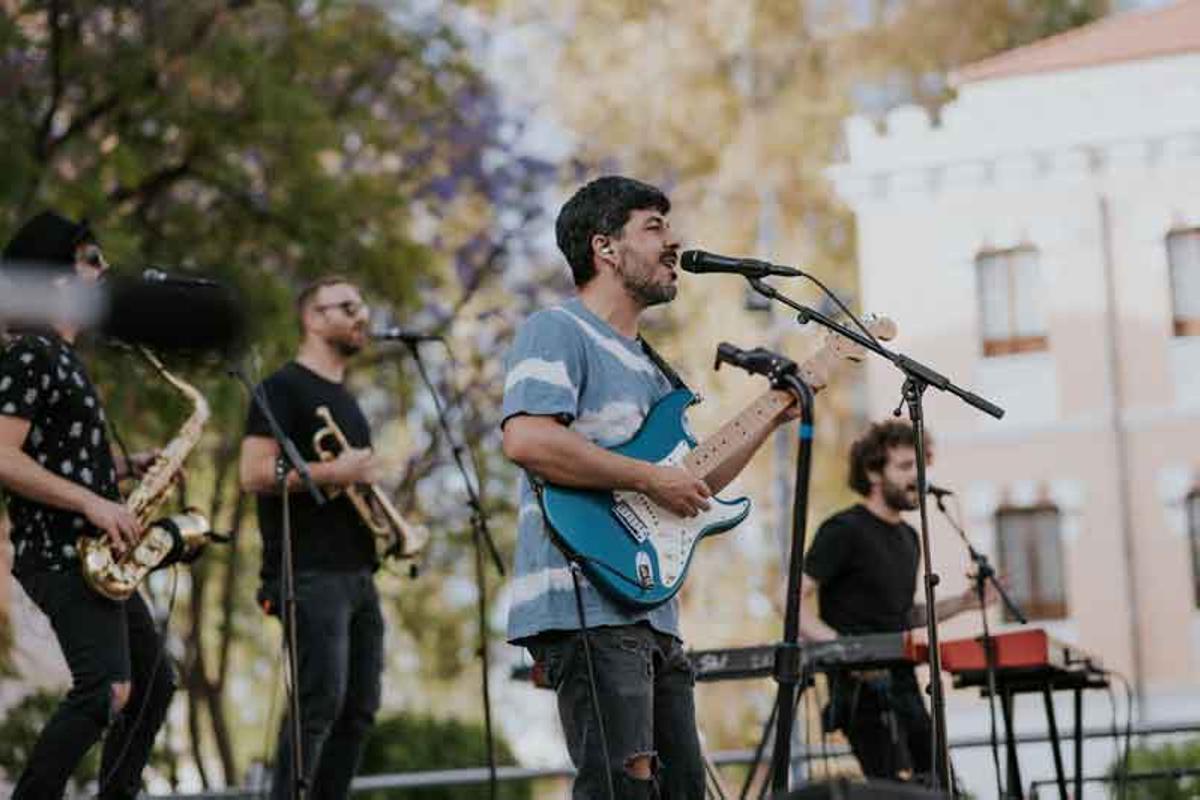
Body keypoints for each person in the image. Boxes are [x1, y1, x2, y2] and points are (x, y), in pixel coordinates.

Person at [501, 175, 802, 798]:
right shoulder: (557, 330)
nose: (675, 243)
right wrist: (647, 478)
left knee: (682, 790)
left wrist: (774, 410)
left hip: (650, 606)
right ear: (605, 248)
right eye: (655, 227)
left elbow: (693, 487)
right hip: (586, 595)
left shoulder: (652, 368)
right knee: (622, 788)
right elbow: (527, 440)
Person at [0, 210, 173, 799]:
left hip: (99, 553)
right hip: (60, 549)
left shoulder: (65, 359)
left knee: (153, 683)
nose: (105, 271)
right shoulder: (32, 353)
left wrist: (123, 470)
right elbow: (2, 456)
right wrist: (94, 504)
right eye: (92, 259)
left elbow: (51, 454)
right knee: (106, 690)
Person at [239, 275, 387, 800]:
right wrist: (335, 473)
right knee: (317, 706)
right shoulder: (282, 388)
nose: (361, 316)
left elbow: (351, 481)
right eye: (346, 306)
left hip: (358, 573)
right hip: (308, 571)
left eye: (361, 305)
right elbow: (254, 474)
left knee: (358, 712)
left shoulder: (346, 399)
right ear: (312, 317)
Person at [798, 420, 996, 783]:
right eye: (905, 467)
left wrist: (965, 603)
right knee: (893, 790)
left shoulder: (909, 538)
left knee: (940, 783)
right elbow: (790, 600)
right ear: (873, 472)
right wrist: (842, 648)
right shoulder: (844, 530)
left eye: (920, 468)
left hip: (905, 684)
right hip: (861, 690)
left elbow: (904, 615)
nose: (916, 478)